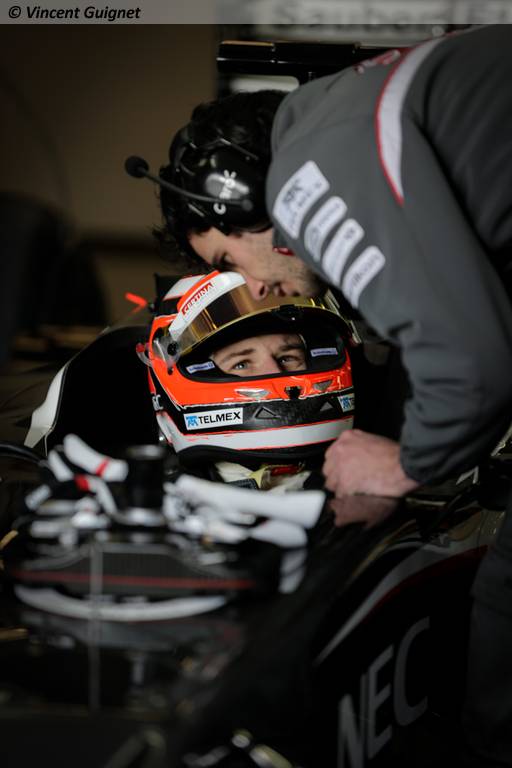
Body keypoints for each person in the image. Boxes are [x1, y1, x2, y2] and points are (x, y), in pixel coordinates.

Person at [149, 25, 512, 765]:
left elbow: (472, 365)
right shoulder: (363, 105)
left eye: (228, 259)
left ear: (239, 202)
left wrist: (405, 461)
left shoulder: (312, 168)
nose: (254, 288)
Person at [142, 269, 354, 491]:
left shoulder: (369, 475)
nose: (274, 371)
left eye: (287, 357)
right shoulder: (158, 500)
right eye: (241, 364)